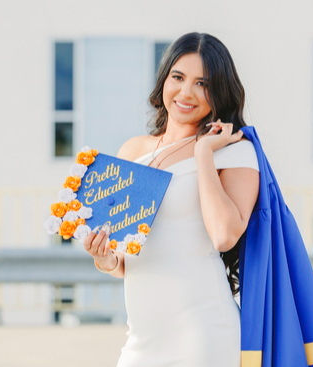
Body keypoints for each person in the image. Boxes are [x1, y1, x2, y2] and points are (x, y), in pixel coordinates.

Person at [82, 32, 258, 367]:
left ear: (219, 92)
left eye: (202, 84)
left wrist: (204, 152)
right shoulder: (132, 151)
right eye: (178, 77)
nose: (186, 92)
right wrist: (103, 257)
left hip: (203, 335)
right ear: (164, 79)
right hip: (141, 341)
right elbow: (125, 260)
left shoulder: (234, 152)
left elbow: (224, 235)